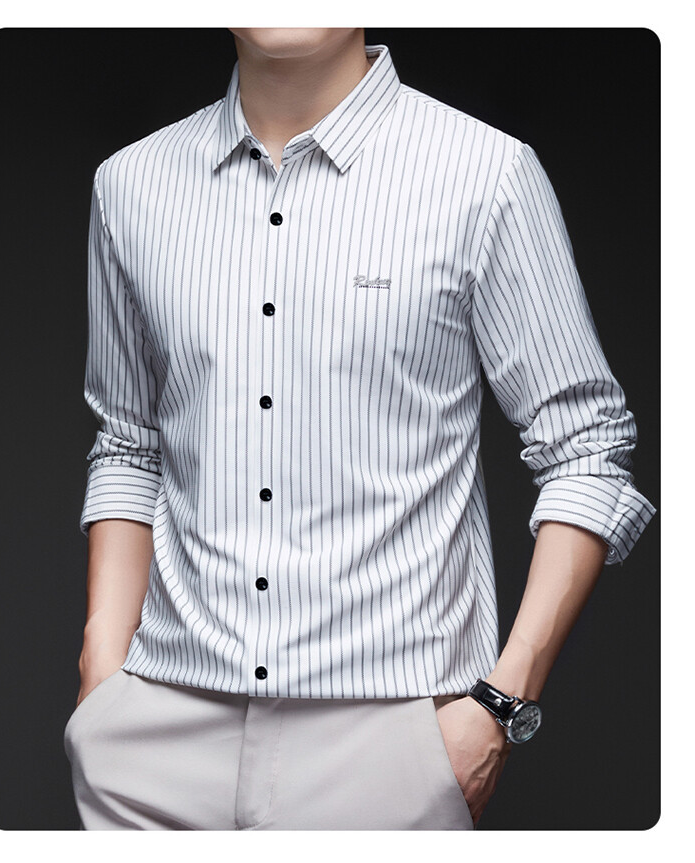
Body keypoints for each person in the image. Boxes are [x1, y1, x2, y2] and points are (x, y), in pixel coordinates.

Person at [64, 28, 656, 830]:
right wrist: (102, 667)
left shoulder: (484, 173)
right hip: (157, 738)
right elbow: (129, 443)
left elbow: (588, 449)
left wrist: (500, 701)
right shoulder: (130, 184)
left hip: (391, 751)